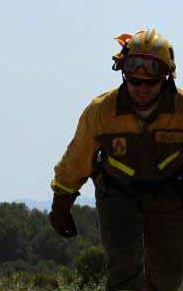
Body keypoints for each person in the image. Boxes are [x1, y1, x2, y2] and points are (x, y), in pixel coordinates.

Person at [50, 29, 183, 291]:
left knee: (168, 276)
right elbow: (77, 159)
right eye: (134, 81)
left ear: (166, 79)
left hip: (172, 196)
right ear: (124, 76)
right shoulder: (101, 111)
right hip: (119, 196)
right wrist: (61, 205)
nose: (141, 89)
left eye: (150, 83)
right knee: (124, 273)